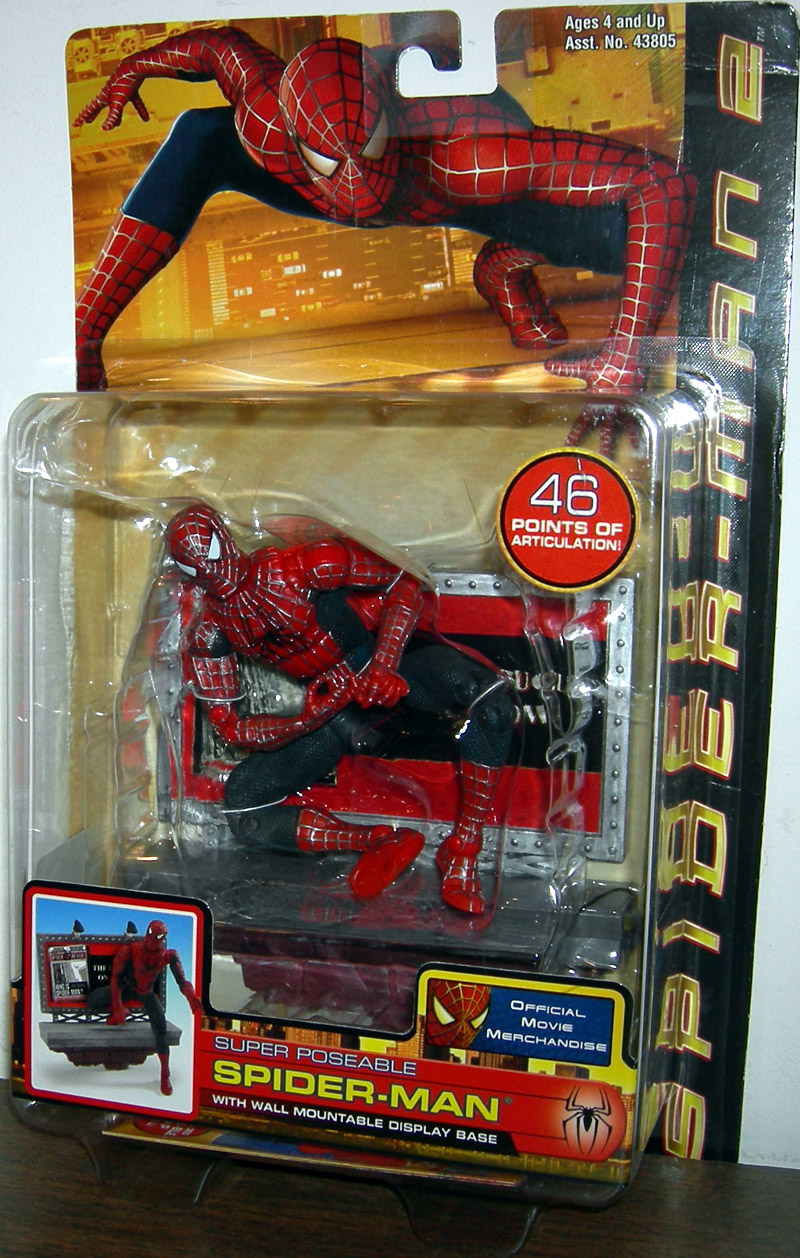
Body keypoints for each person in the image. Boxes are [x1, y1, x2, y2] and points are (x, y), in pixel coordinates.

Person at [74, 27, 695, 394]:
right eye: (331, 157)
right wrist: (133, 67)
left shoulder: (471, 153)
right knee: (199, 136)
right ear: (293, 132)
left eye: (366, 147)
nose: (355, 181)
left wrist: (626, 354)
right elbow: (217, 47)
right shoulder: (263, 116)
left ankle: (503, 264)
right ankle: (86, 328)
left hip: (455, 191)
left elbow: (662, 185)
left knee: (624, 241)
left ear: (387, 123)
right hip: (340, 174)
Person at [165, 504, 518, 914]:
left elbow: (405, 578)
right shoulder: (211, 631)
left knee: (491, 704)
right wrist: (305, 720)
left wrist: (385, 663)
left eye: (209, 553)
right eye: (194, 567)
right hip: (336, 709)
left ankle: (463, 849)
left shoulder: (308, 565)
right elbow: (230, 727)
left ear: (223, 539)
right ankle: (374, 840)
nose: (213, 572)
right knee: (245, 806)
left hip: (392, 671)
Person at [89, 919, 201, 1096]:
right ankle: (117, 1015)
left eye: (159, 937)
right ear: (147, 933)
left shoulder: (168, 956)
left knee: (161, 1031)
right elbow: (116, 979)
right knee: (94, 1000)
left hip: (147, 993)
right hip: (128, 988)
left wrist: (191, 998)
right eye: (152, 935)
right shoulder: (130, 950)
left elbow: (182, 981)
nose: (154, 940)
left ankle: (165, 1075)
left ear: (163, 938)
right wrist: (117, 1007)